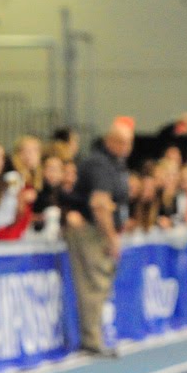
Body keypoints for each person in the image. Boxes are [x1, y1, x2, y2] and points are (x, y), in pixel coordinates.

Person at [63, 118, 132, 358]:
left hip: (98, 230)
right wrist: (112, 237)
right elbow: (100, 204)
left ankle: (96, 336)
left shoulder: (115, 164)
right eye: (121, 142)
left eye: (129, 143)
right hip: (92, 231)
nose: (126, 148)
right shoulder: (100, 164)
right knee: (94, 285)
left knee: (99, 285)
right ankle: (92, 340)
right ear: (109, 141)